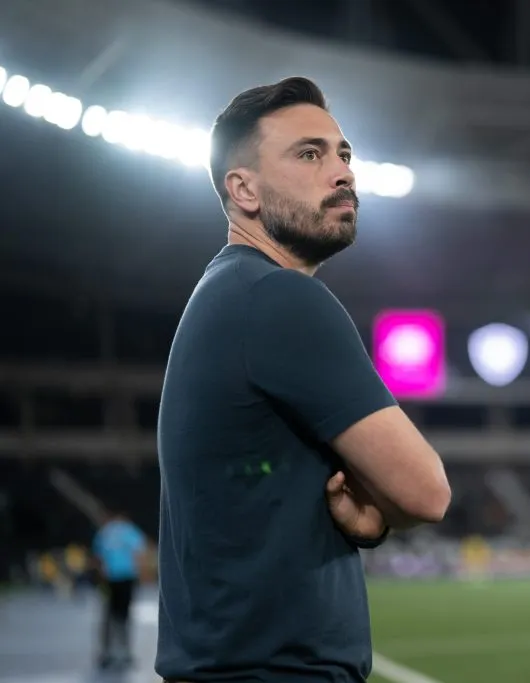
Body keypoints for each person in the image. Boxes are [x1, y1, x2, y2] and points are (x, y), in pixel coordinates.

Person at [155, 77, 451, 683]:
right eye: (309, 154)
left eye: (344, 154)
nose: (341, 172)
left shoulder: (227, 293)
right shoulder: (280, 297)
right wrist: (386, 509)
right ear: (244, 190)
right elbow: (428, 492)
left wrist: (375, 515)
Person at [92, 510, 147, 670]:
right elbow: (139, 553)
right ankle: (124, 651)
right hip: (126, 577)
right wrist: (143, 576)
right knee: (124, 615)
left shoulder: (106, 531)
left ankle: (107, 652)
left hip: (110, 578)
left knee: (108, 615)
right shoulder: (129, 530)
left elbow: (98, 557)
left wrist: (99, 577)